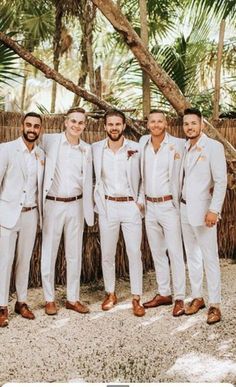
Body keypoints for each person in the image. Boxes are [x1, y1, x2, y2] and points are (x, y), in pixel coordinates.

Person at [41, 108, 94, 315]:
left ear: (84, 126)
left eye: (81, 122)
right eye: (73, 121)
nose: (76, 125)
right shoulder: (48, 141)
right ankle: (49, 299)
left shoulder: (87, 149)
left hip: (77, 204)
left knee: (74, 254)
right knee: (49, 251)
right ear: (65, 122)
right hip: (53, 204)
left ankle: (73, 298)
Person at [92, 110, 145, 317]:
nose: (114, 128)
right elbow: (90, 177)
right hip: (107, 207)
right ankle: (110, 293)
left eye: (118, 124)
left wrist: (139, 201)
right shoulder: (96, 149)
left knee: (134, 253)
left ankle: (136, 297)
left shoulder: (136, 148)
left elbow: (144, 176)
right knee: (107, 253)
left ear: (124, 126)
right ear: (105, 126)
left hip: (130, 206)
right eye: (110, 124)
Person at [180, 108, 227, 324]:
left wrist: (214, 210)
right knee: (193, 256)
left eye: (193, 123)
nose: (190, 127)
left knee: (210, 257)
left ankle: (215, 304)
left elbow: (220, 181)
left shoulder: (213, 147)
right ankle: (197, 297)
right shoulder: (183, 147)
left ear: (202, 124)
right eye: (186, 124)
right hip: (183, 209)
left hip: (204, 211)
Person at [139, 109, 186, 317]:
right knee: (157, 252)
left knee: (175, 252)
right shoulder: (142, 143)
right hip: (149, 207)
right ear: (147, 124)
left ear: (165, 123)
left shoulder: (177, 145)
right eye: (152, 121)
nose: (156, 125)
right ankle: (164, 292)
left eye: (160, 121)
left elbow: (186, 172)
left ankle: (180, 298)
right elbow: (140, 175)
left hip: (169, 206)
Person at [0, 112, 44, 328]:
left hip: (31, 214)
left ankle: (21, 301)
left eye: (36, 126)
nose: (32, 129)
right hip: (7, 215)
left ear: (40, 130)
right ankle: (1, 306)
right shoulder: (6, 149)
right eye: (29, 125)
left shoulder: (41, 154)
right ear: (21, 126)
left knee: (24, 260)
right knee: (4, 261)